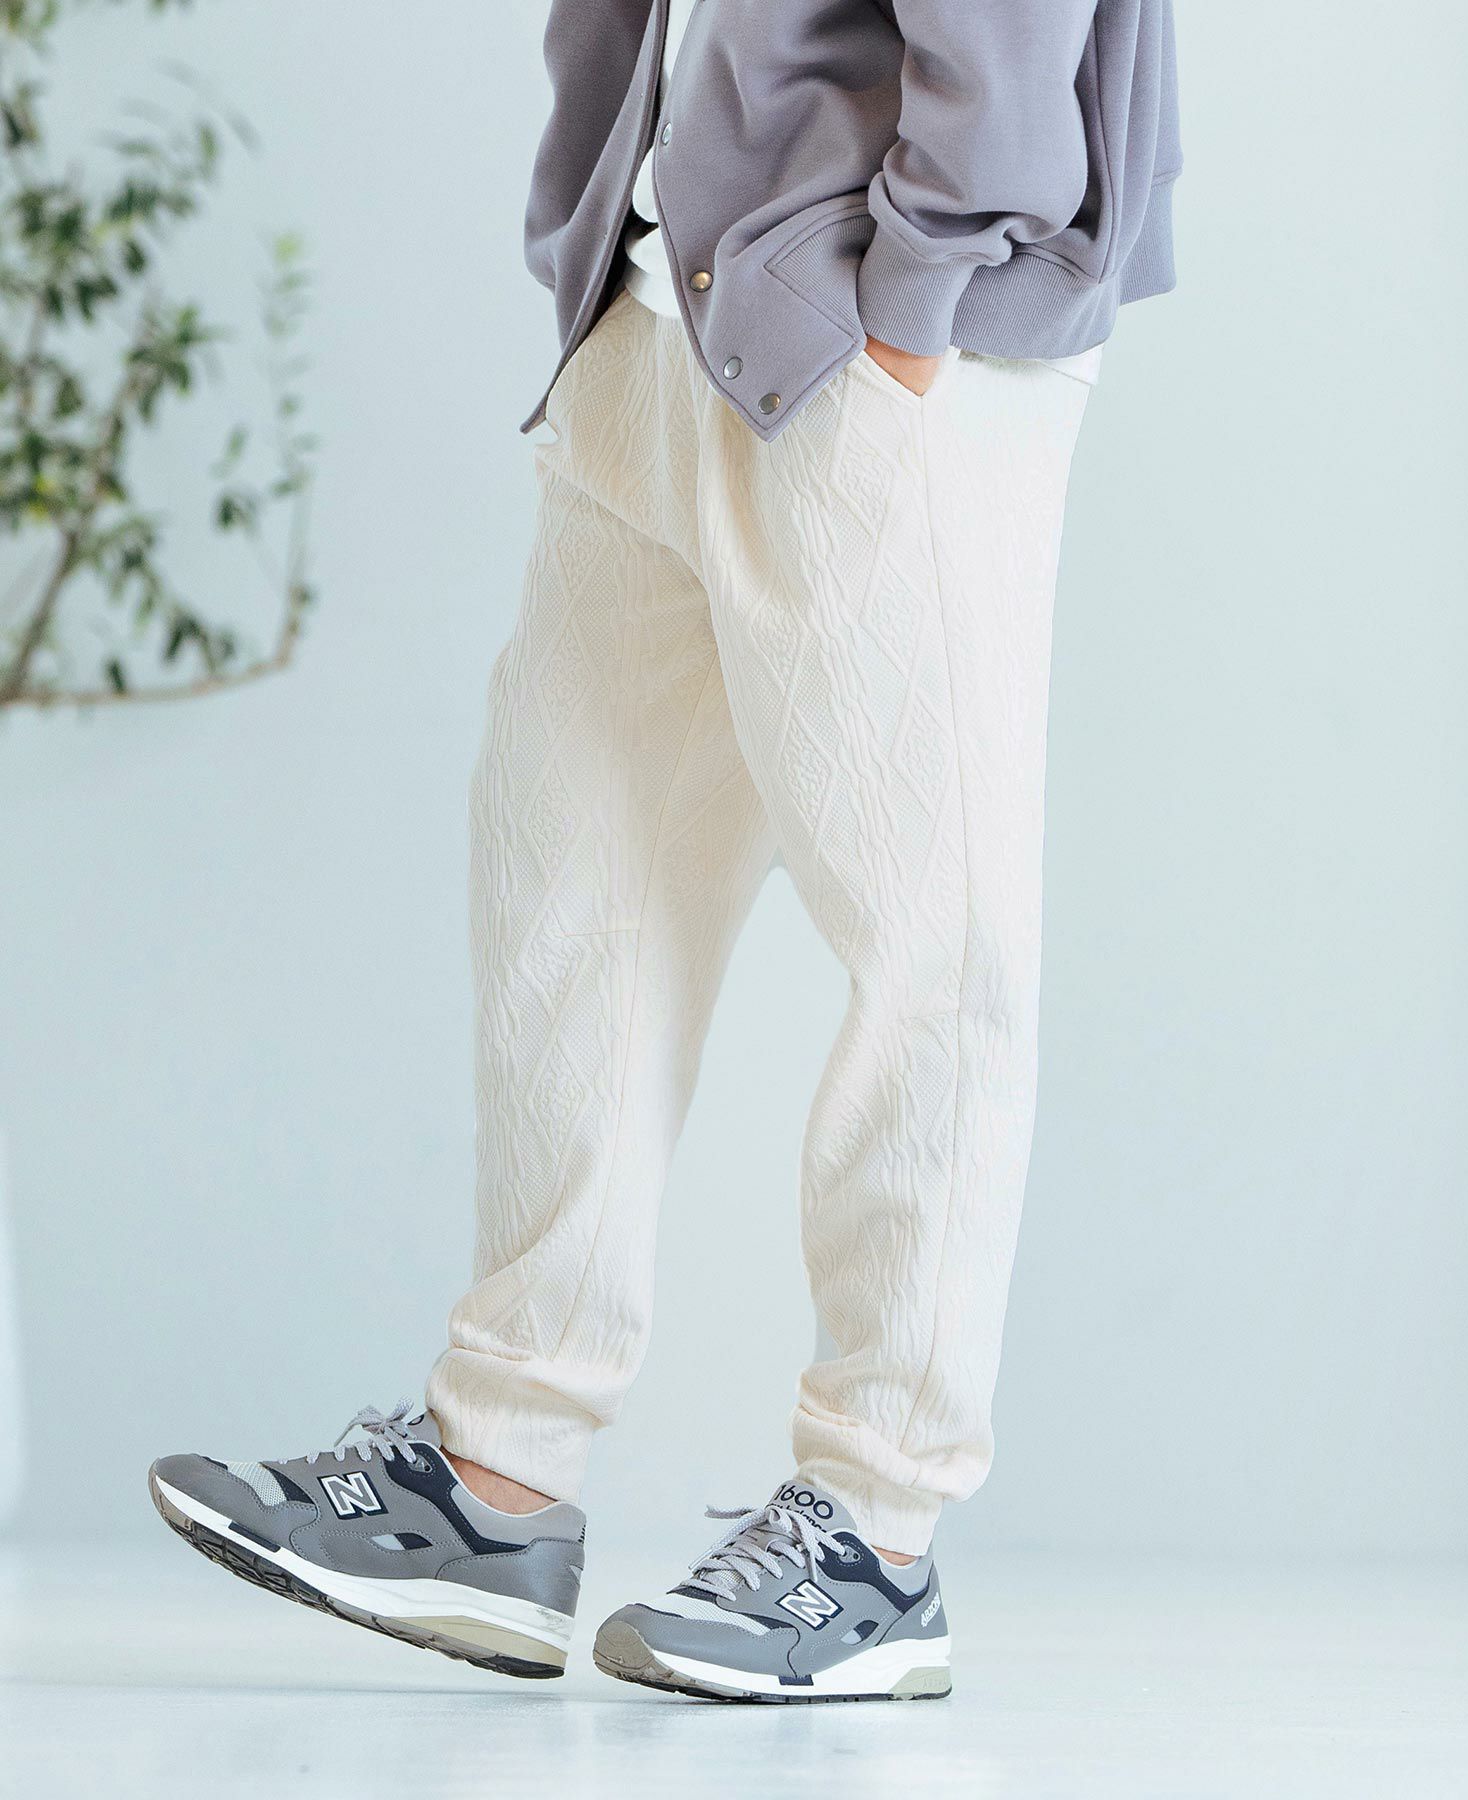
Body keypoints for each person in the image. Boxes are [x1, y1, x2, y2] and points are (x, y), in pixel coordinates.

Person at [149, 0, 1181, 1703]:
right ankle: (494, 1481)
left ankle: (878, 1530)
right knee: (570, 875)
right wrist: (596, 232)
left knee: (931, 939)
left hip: (878, 324)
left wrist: (916, 302)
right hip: (659, 301)